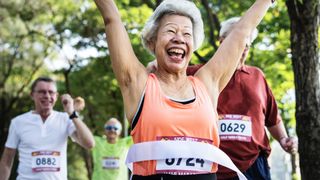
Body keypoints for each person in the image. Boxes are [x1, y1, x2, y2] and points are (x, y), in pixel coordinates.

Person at [93, 0, 274, 179]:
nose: (179, 38)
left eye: (187, 34)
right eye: (170, 31)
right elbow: (111, 18)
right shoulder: (138, 84)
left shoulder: (206, 83)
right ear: (152, 41)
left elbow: (241, 31)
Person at [185, 17, 298, 180]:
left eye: (246, 42)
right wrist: (157, 67)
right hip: (210, 165)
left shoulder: (257, 76)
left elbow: (272, 118)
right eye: (236, 41)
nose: (241, 47)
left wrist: (283, 139)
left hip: (254, 166)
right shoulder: (196, 74)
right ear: (221, 42)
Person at [0, 77, 95, 180]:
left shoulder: (66, 119)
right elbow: (6, 161)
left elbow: (89, 144)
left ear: (57, 96)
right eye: (42, 92)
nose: (47, 96)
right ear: (32, 95)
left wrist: (71, 112)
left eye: (51, 92)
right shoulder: (18, 122)